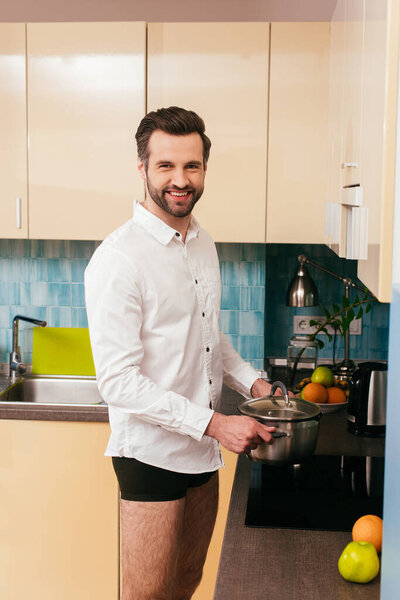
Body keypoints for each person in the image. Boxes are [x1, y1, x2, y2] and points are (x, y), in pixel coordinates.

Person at [85, 106, 275, 600]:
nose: (180, 179)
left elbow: (210, 336)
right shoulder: (119, 259)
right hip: (149, 454)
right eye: (166, 165)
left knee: (185, 585)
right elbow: (118, 382)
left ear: (205, 170)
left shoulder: (201, 242)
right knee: (147, 596)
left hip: (200, 453)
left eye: (191, 165)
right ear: (143, 168)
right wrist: (218, 424)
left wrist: (253, 383)